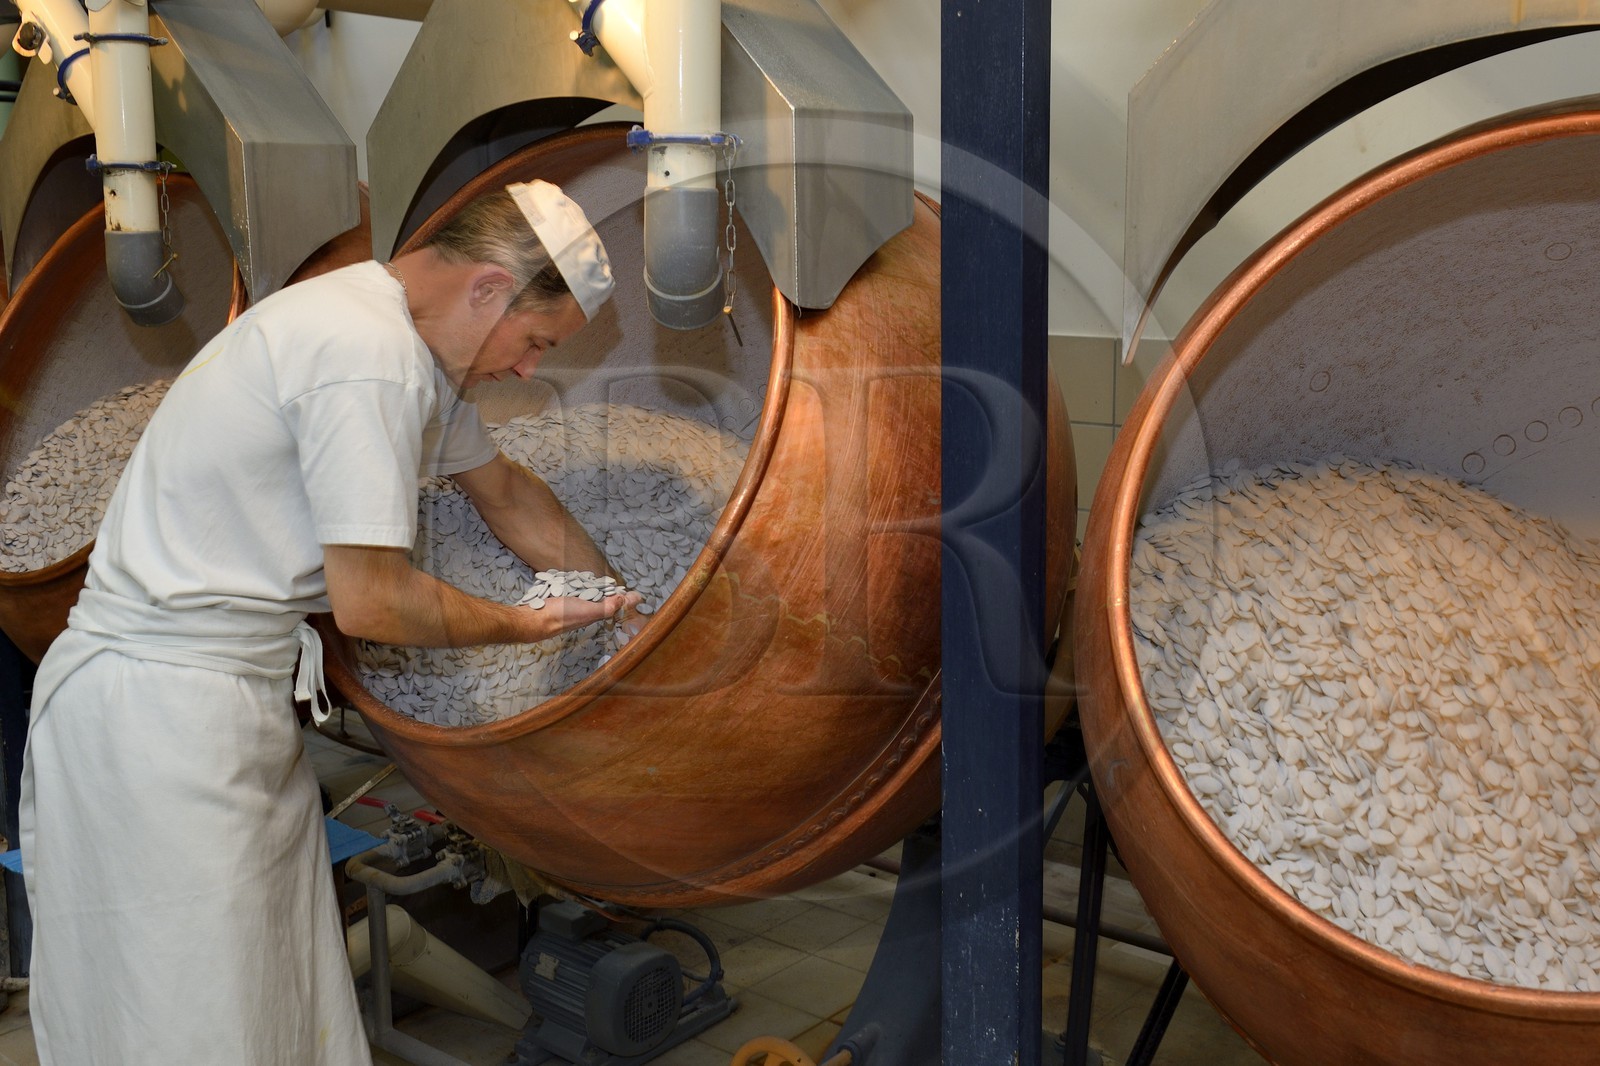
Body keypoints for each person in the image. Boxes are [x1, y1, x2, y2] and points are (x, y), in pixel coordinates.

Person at [18, 179, 637, 1064]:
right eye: (535, 341)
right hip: (159, 721)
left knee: (261, 998)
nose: (529, 369)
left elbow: (505, 494)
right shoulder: (367, 355)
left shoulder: (398, 341)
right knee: (190, 1018)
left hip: (214, 702)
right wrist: (529, 624)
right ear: (490, 287)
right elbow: (373, 600)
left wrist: (622, 607)